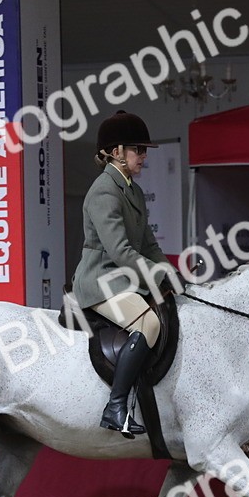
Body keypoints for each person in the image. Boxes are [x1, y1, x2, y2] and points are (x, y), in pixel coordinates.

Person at [71, 110, 180, 437]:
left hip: (123, 277)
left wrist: (169, 274)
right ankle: (115, 406)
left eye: (144, 150)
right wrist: (156, 277)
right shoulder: (104, 190)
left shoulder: (131, 190)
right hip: (101, 281)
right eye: (138, 150)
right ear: (116, 151)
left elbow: (147, 243)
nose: (144, 156)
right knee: (148, 322)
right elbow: (121, 251)